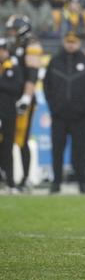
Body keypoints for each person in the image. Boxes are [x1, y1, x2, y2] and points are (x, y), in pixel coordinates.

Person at [43, 31, 85, 194]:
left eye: (74, 41)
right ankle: (56, 182)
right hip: (59, 115)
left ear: (79, 42)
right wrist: (53, 106)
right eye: (68, 41)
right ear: (64, 42)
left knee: (80, 151)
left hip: (80, 116)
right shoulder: (54, 61)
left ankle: (83, 183)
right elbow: (47, 85)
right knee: (57, 150)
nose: (71, 44)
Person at [5, 15, 43, 191]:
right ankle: (8, 176)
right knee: (6, 139)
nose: (10, 32)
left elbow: (32, 74)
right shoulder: (14, 44)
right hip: (8, 97)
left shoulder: (31, 44)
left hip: (22, 99)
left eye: (13, 29)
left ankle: (26, 178)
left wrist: (26, 97)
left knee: (22, 139)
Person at [0, 37, 24, 194]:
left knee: (8, 147)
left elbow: (17, 87)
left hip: (7, 112)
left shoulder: (14, 67)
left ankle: (10, 182)